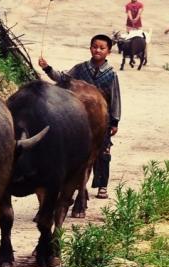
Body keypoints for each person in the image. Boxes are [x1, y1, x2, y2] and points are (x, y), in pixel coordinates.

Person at [38, 34, 121, 200]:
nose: (97, 50)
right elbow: (62, 79)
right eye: (95, 46)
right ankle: (70, 186)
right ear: (90, 48)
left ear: (108, 52)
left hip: (101, 119)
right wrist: (47, 68)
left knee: (103, 152)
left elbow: (115, 98)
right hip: (78, 118)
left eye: (102, 48)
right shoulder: (80, 68)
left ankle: (101, 185)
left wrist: (114, 121)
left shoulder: (111, 75)